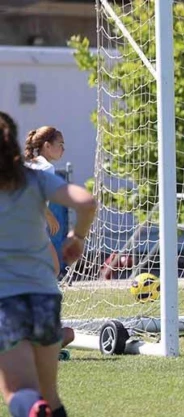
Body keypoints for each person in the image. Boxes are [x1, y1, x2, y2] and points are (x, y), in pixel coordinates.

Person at [0, 115, 96, 417]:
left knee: (19, 393)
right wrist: (77, 237)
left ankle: (33, 409)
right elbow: (87, 202)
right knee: (50, 396)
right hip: (45, 297)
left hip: (7, 300)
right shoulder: (35, 178)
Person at [20, 124, 76, 358]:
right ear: (46, 146)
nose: (63, 149)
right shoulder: (46, 166)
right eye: (60, 145)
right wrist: (49, 214)